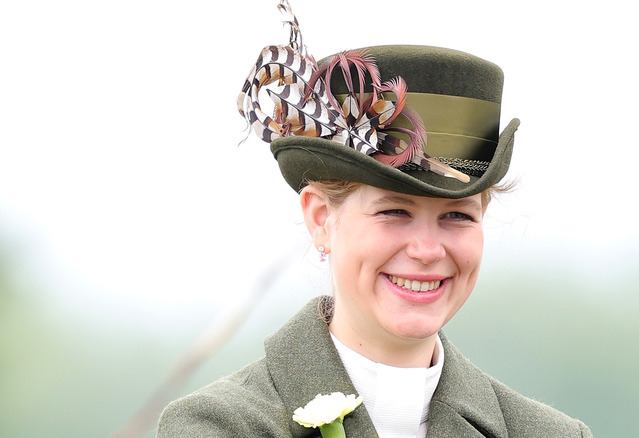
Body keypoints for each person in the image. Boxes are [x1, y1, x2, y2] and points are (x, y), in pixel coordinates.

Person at [157, 2, 592, 437]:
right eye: (394, 212)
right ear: (321, 218)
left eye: (457, 215)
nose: (426, 250)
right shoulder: (219, 427)